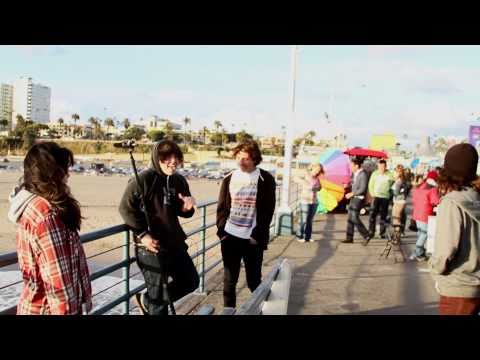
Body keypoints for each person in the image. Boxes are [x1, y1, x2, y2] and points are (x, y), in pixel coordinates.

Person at [8, 142, 92, 315]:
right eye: (64, 170)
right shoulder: (47, 216)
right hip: (46, 309)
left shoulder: (30, 204)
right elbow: (59, 287)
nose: (68, 175)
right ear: (53, 173)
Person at [119, 140, 199, 315]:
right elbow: (125, 208)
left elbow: (181, 210)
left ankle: (148, 301)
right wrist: (143, 235)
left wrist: (186, 208)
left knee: (191, 281)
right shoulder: (143, 179)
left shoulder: (179, 180)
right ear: (157, 158)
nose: (173, 161)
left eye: (176, 157)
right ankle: (153, 303)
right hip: (150, 247)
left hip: (174, 243)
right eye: (166, 158)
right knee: (159, 300)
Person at [216, 139, 276, 308]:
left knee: (254, 281)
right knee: (229, 282)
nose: (241, 162)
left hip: (252, 239)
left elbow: (267, 211)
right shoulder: (229, 178)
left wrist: (257, 236)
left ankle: (264, 310)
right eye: (238, 158)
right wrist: (222, 233)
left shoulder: (266, 179)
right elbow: (222, 208)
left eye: (246, 158)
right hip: (230, 237)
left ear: (255, 159)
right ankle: (230, 311)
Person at [430, 144, 480, 315]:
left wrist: (434, 267)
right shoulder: (476, 198)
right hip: (475, 285)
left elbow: (445, 250)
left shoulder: (451, 203)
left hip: (457, 288)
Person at [410, 170, 440, 261]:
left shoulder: (421, 186)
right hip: (425, 214)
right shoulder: (432, 189)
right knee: (424, 233)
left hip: (416, 213)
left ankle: (421, 253)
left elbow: (414, 198)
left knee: (420, 233)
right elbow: (435, 201)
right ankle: (416, 252)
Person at [344, 157, 372, 245]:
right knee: (350, 218)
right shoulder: (355, 174)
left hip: (358, 198)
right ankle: (349, 237)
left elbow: (362, 189)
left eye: (352, 165)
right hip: (354, 197)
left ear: (356, 165)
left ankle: (366, 234)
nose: (350, 167)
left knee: (354, 217)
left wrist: (352, 193)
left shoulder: (363, 174)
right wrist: (348, 185)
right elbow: (355, 184)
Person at [294, 163, 324, 243]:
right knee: (303, 219)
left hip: (314, 201)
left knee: (310, 220)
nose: (317, 172)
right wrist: (305, 183)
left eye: (319, 171)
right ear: (312, 168)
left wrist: (317, 188)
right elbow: (295, 178)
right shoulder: (306, 175)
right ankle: (300, 235)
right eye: (317, 170)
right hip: (305, 200)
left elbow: (320, 187)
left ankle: (308, 236)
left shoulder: (317, 178)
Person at [367, 159, 394, 239]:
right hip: (376, 197)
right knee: (373, 215)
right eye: (380, 167)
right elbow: (370, 185)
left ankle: (382, 232)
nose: (381, 168)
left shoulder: (389, 174)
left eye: (383, 167)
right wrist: (372, 195)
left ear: (385, 166)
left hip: (385, 197)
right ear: (378, 167)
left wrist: (390, 194)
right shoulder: (374, 174)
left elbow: (393, 184)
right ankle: (371, 231)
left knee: (383, 216)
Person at [390, 164, 411, 241]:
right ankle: (397, 235)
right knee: (397, 218)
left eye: (395, 171)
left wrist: (392, 191)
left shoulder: (399, 181)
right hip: (401, 201)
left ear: (398, 172)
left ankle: (397, 236)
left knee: (396, 218)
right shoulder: (403, 180)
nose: (394, 173)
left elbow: (396, 192)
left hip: (398, 201)